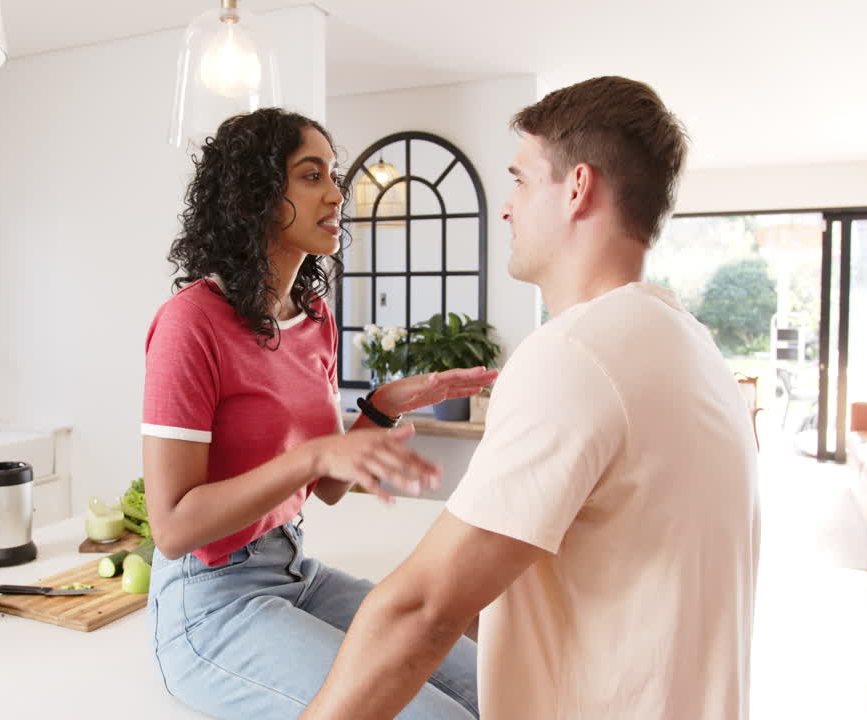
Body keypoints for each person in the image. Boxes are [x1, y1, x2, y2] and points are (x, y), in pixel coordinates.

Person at [303, 76, 762, 720]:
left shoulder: (577, 353)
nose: (507, 207)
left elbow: (424, 608)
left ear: (577, 188)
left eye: (520, 180)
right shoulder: (692, 347)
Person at [142, 107, 497, 720]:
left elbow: (326, 487)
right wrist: (315, 453)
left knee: (493, 685)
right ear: (254, 195)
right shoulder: (190, 323)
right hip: (209, 607)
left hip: (294, 570)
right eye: (312, 176)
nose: (337, 193)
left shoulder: (314, 318)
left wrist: (380, 409)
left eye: (332, 174)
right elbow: (172, 528)